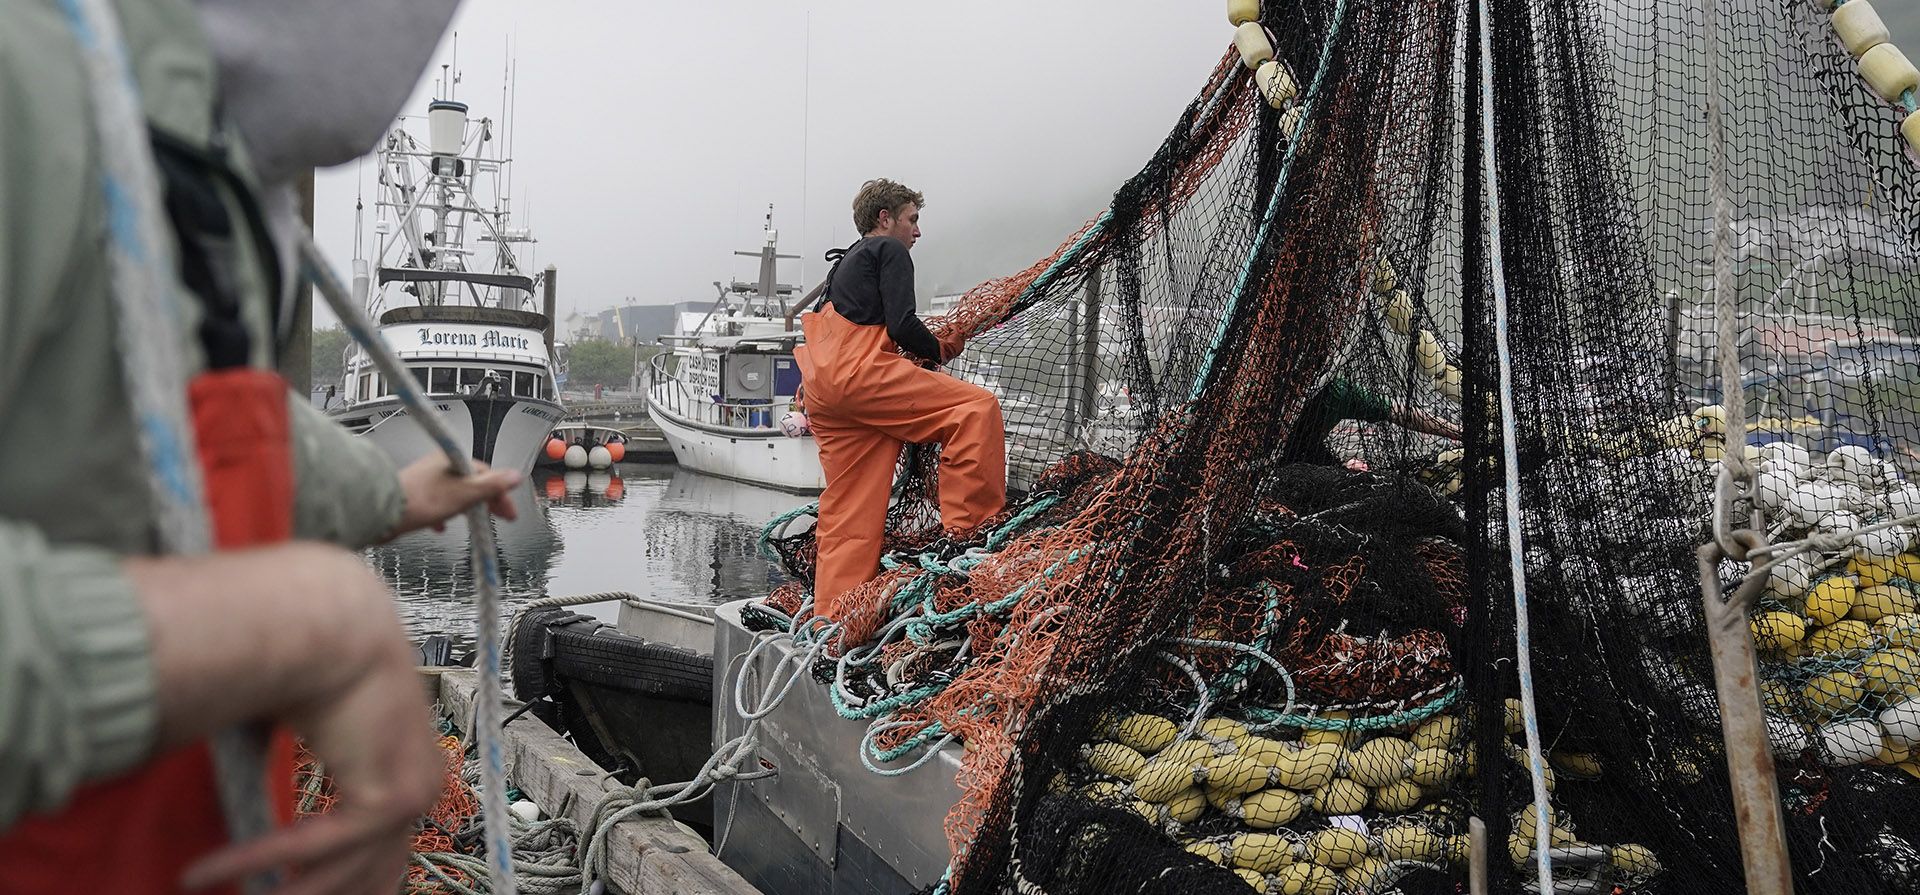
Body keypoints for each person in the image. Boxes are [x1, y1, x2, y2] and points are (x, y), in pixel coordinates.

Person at [0, 1, 492, 894]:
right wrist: (303, 625)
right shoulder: (25, 87)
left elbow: (156, 409)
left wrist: (389, 493)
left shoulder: (183, 156)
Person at [794, 179, 1007, 620]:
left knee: (851, 504)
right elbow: (902, 324)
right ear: (884, 219)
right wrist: (940, 346)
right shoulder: (888, 251)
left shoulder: (843, 266)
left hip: (824, 390)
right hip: (858, 375)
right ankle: (971, 541)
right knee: (974, 410)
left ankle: (833, 618)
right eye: (912, 219)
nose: (917, 231)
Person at [1280, 377, 1462, 470]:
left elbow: (1400, 413)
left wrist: (1457, 432)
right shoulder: (1339, 393)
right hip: (1290, 455)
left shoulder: (1340, 393)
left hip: (1302, 452)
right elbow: (1400, 413)